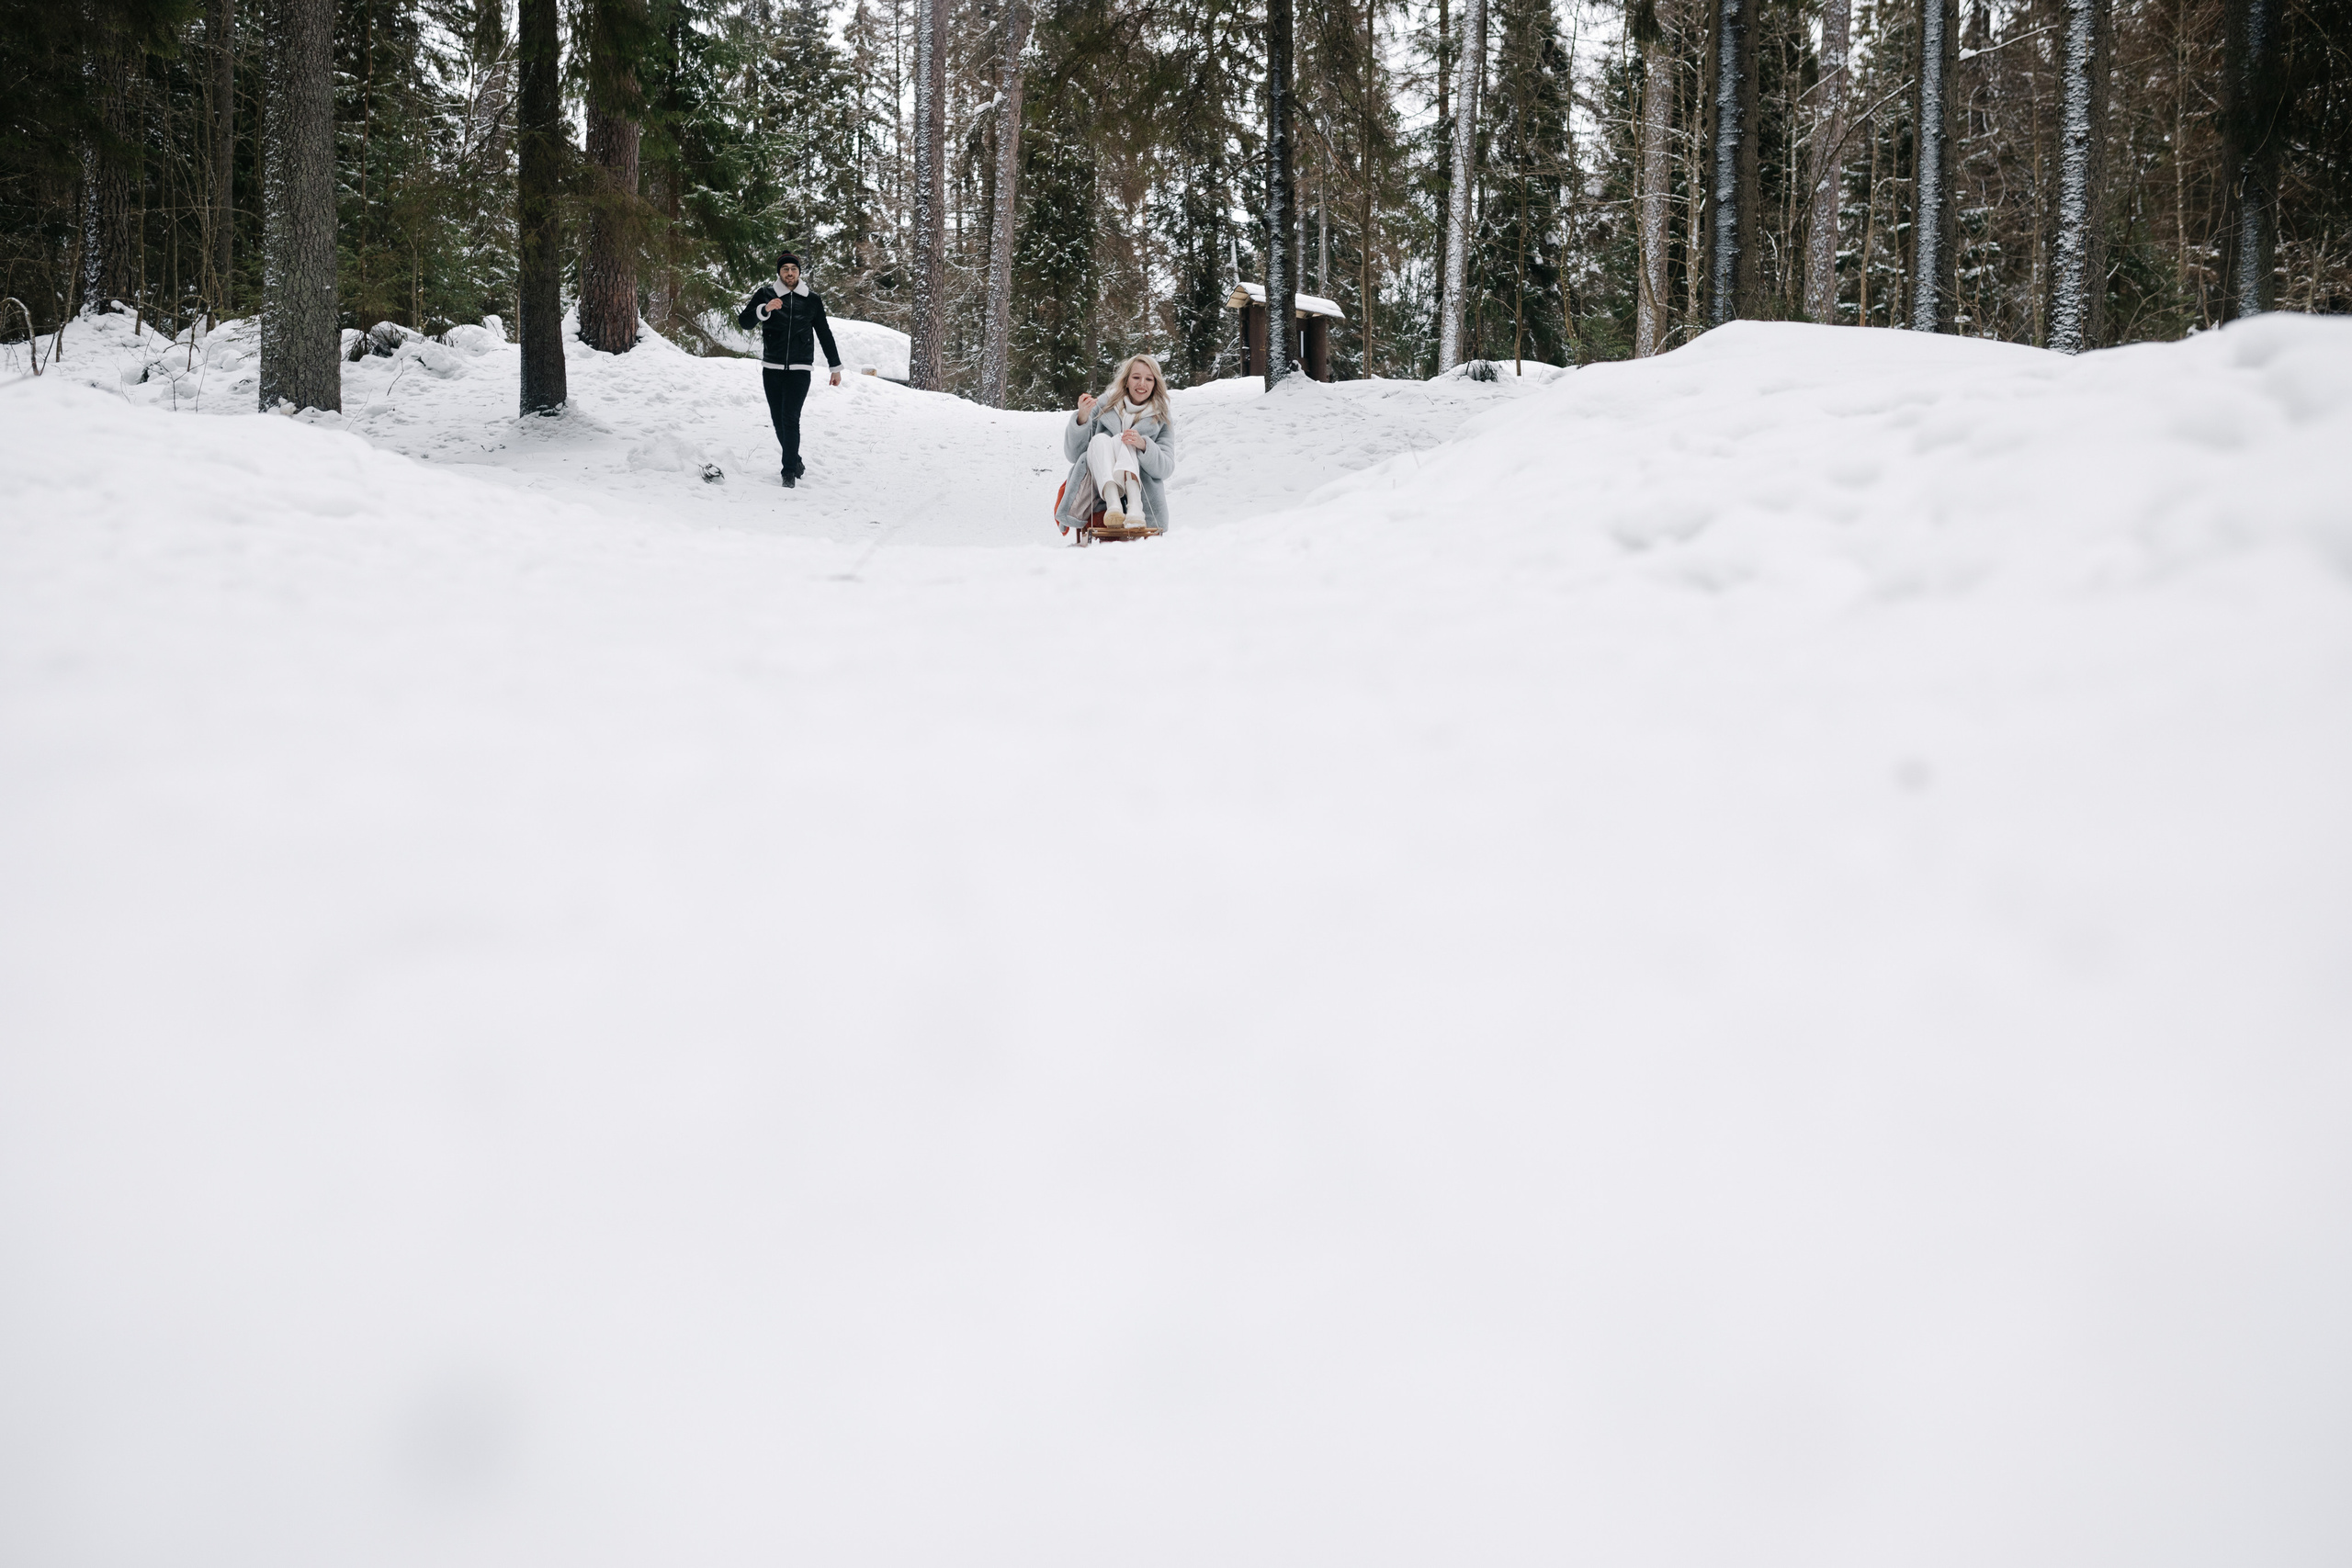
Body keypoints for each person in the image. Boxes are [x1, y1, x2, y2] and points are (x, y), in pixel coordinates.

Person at [737, 252, 842, 488]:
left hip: (800, 368)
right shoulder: (766, 294)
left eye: (793, 269)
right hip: (772, 367)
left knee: (790, 418)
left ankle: (788, 472)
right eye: (785, 269)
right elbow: (744, 322)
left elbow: (824, 333)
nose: (790, 273)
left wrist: (835, 367)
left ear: (799, 272)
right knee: (777, 420)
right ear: (779, 273)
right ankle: (795, 460)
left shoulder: (811, 299)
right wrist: (764, 309)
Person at [1054, 354, 1177, 534]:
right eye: (1136, 377)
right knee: (1101, 439)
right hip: (1100, 497)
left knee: (1126, 440)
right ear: (1126, 381)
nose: (1142, 383)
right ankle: (1113, 503)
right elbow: (1075, 455)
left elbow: (1166, 468)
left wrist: (1144, 445)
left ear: (1155, 384)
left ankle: (1135, 505)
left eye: (1148, 379)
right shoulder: (1104, 406)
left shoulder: (1161, 419)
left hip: (1144, 500)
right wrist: (1082, 418)